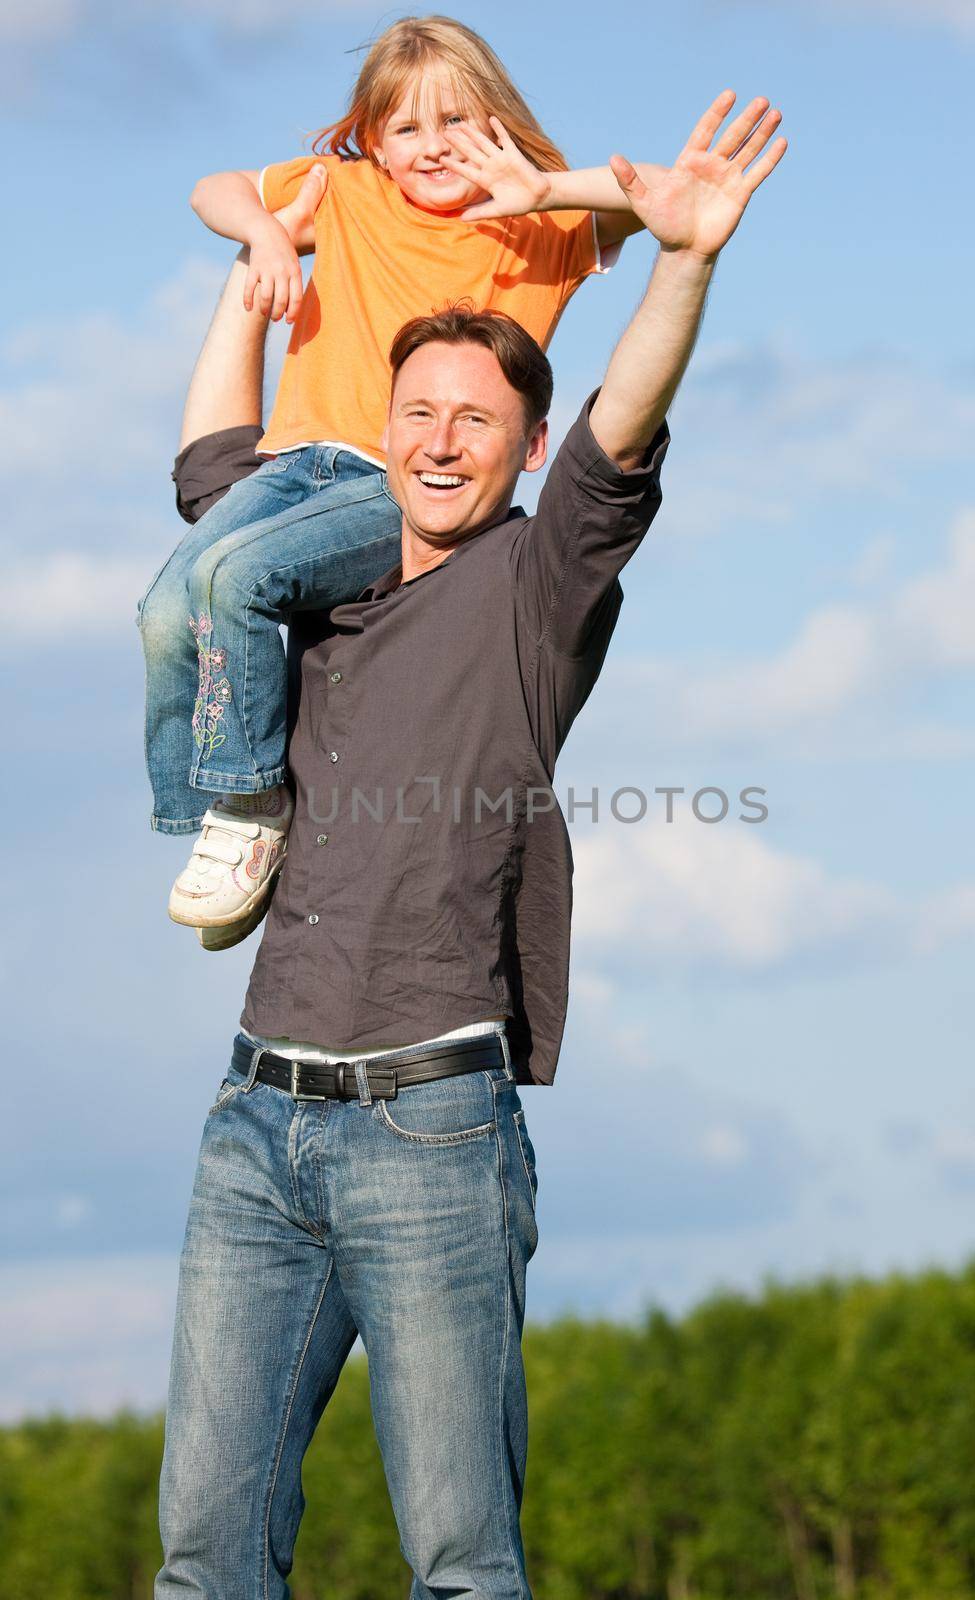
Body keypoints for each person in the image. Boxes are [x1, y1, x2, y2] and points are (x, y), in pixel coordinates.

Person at [154, 92, 787, 1599]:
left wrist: (679, 264)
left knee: (460, 1565)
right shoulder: (303, 569)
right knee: (202, 1565)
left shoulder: (532, 581)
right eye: (418, 414)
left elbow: (622, 434)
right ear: (379, 430)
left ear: (525, 445)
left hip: (429, 1133)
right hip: (251, 1131)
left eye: (476, 423)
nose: (440, 444)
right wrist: (251, 276)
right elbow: (203, 467)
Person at [136, 13, 667, 934]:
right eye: (407, 127)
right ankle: (209, 809)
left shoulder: (540, 228)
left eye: (457, 120)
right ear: (373, 137)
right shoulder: (347, 193)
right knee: (164, 607)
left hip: (399, 482)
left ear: (497, 121)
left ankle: (252, 805)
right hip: (292, 463)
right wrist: (265, 235)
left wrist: (540, 182)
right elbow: (209, 189)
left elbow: (658, 197)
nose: (431, 147)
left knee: (237, 578)